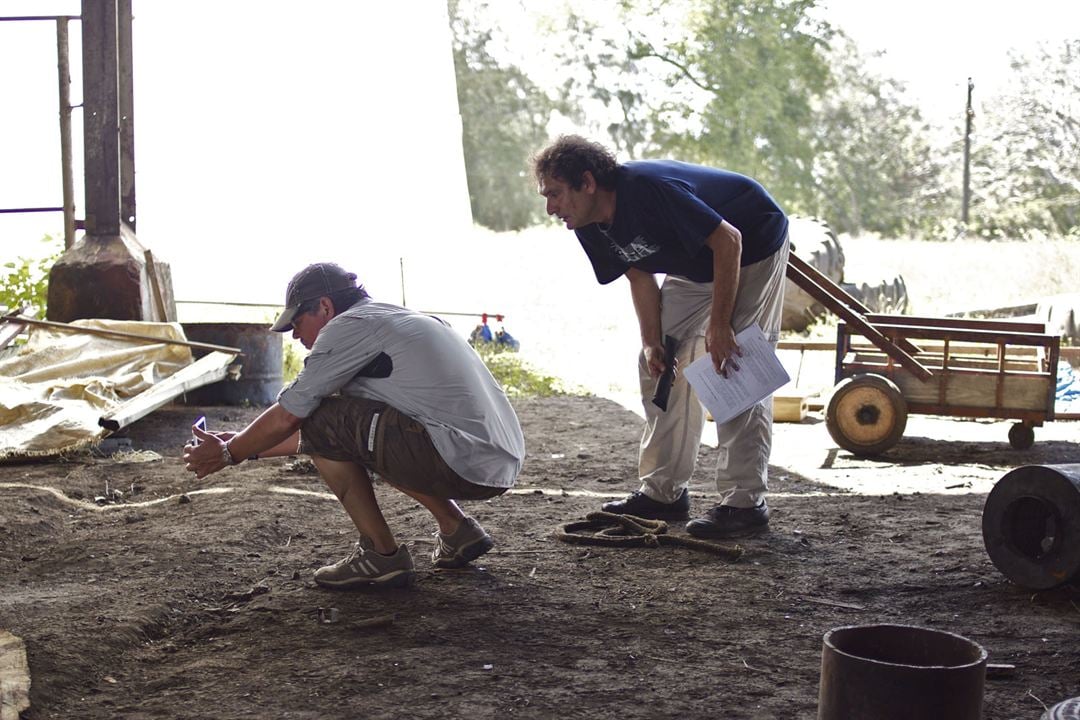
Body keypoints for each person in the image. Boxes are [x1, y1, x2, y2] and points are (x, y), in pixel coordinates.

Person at [183, 262, 526, 589]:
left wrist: (230, 452)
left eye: (298, 322)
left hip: (459, 459)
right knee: (355, 424)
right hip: (493, 459)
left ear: (325, 307)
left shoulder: (349, 327)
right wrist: (247, 444)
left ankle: (381, 554)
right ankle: (456, 529)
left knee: (323, 413)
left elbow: (298, 417)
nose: (296, 336)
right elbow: (331, 436)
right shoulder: (399, 318)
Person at [532, 135, 789, 539]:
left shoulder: (645, 189)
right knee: (659, 362)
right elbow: (638, 272)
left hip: (751, 243)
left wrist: (720, 326)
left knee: (734, 361)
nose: (550, 208)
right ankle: (663, 491)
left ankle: (745, 503)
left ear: (587, 182)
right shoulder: (586, 222)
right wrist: (652, 340)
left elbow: (729, 240)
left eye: (555, 194)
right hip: (695, 263)